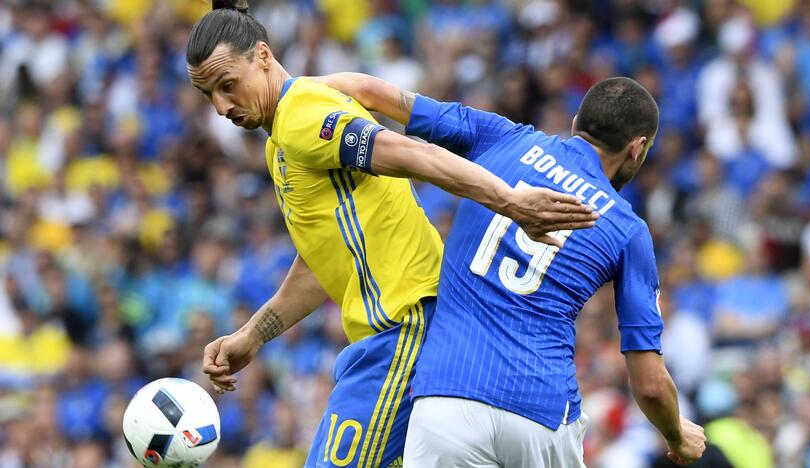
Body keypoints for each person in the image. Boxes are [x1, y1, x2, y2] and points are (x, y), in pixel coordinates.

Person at [186, 2, 598, 468]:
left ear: (263, 55)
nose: (222, 107)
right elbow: (326, 259)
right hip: (390, 338)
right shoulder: (283, 136)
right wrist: (253, 335)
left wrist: (509, 201)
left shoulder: (301, 116)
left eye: (227, 85)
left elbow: (404, 151)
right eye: (209, 96)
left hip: (403, 329)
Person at [320, 73, 708, 467]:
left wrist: (284, 93)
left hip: (446, 399)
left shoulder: (503, 137)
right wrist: (677, 434)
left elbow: (371, 92)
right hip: (540, 414)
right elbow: (650, 385)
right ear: (637, 149)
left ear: (575, 124)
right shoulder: (629, 230)